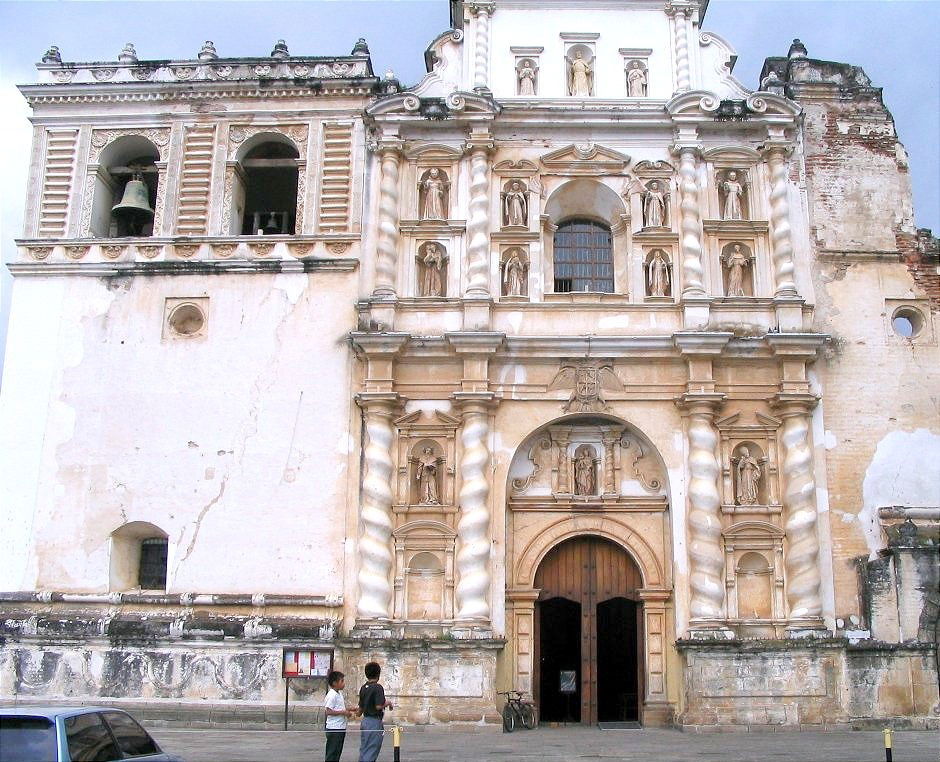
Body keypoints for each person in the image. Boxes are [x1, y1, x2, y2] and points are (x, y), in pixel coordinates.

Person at [358, 661, 393, 762]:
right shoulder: (378, 688)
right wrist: (388, 703)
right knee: (372, 749)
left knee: (364, 749)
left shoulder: (363, 688)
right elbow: (378, 706)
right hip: (374, 721)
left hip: (365, 721)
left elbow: (360, 708)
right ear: (378, 674)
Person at [323, 670, 358, 762]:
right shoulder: (332, 695)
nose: (344, 683)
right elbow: (328, 711)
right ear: (335, 683)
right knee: (332, 752)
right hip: (334, 728)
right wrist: (343, 712)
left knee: (337, 752)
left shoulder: (339, 693)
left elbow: (339, 707)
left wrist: (350, 709)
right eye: (341, 681)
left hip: (340, 727)